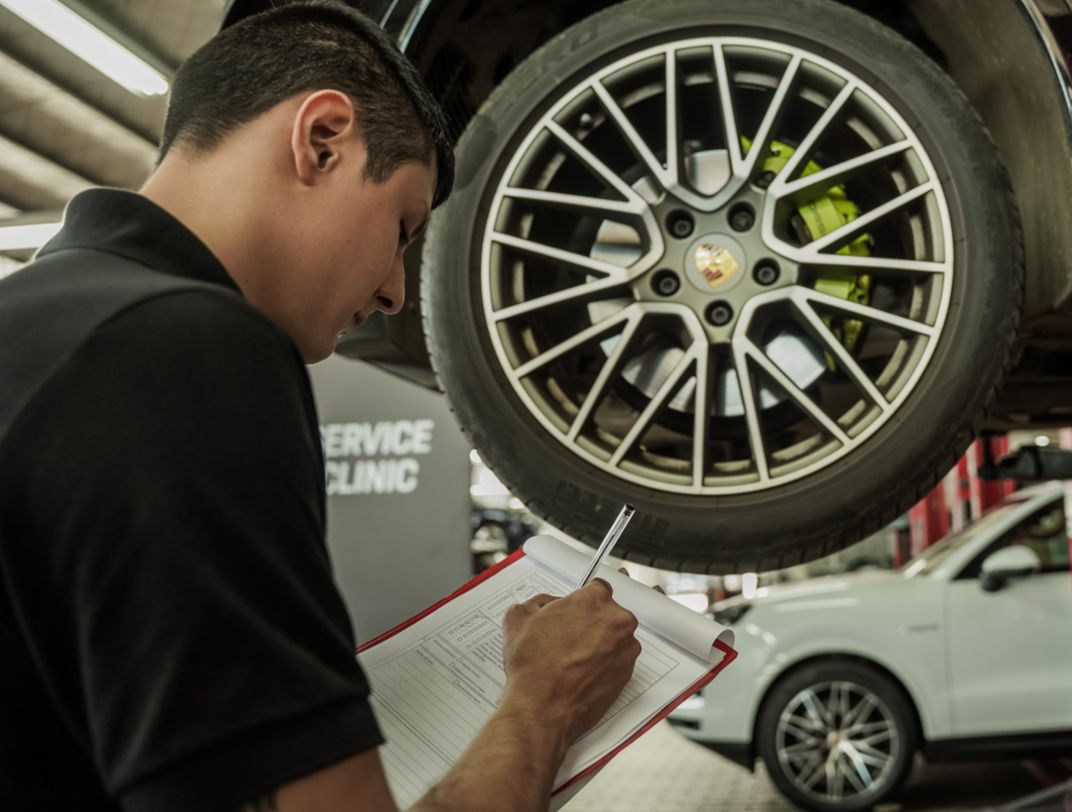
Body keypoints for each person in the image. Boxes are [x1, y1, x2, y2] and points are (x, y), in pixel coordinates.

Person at [0, 2, 641, 810]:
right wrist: (546, 699)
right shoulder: (181, 348)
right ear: (324, 139)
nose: (394, 290)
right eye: (403, 226)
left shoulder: (40, 323)